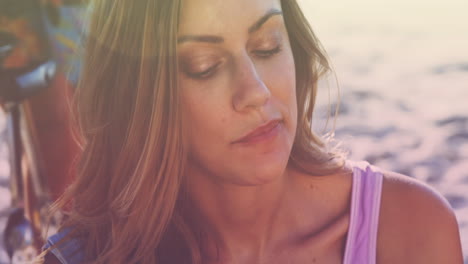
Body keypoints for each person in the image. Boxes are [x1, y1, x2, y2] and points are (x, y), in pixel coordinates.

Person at [38, 0, 464, 263]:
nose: (255, 92)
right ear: (141, 98)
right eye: (204, 65)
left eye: (268, 45)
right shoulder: (86, 258)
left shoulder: (410, 229)